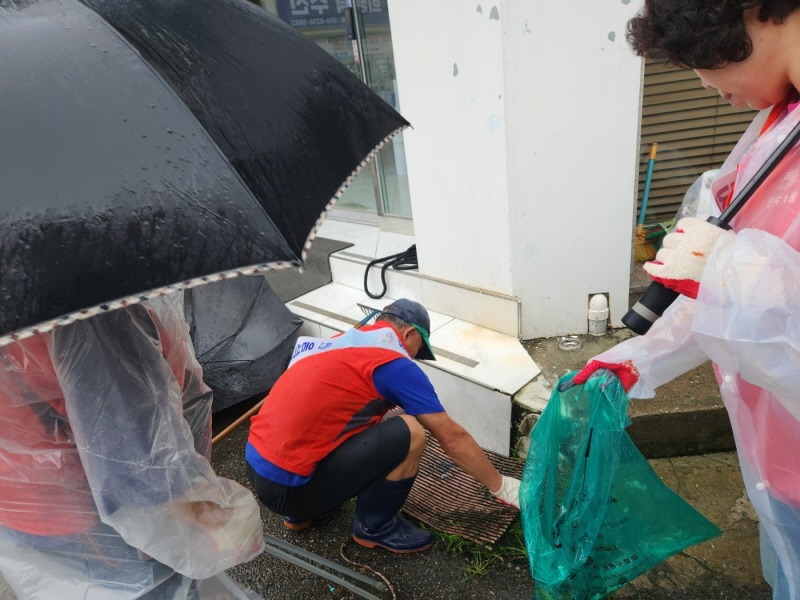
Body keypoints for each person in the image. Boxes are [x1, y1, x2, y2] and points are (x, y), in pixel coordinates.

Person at [574, 2, 800, 597]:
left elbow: (748, 289)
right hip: (782, 464)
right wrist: (641, 357)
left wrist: (724, 268)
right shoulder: (779, 122)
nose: (705, 84)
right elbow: (726, 295)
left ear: (754, 15)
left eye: (700, 61)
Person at [0, 294, 264, 599]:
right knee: (157, 588)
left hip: (20, 507)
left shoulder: (19, 288)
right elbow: (137, 463)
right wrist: (204, 508)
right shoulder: (94, 307)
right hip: (91, 517)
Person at [245, 298, 521, 553]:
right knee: (412, 431)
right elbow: (451, 437)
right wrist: (499, 485)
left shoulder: (338, 342)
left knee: (360, 419)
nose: (413, 356)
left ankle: (300, 517)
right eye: (418, 349)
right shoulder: (393, 362)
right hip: (292, 491)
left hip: (259, 472)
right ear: (409, 334)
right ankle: (375, 527)